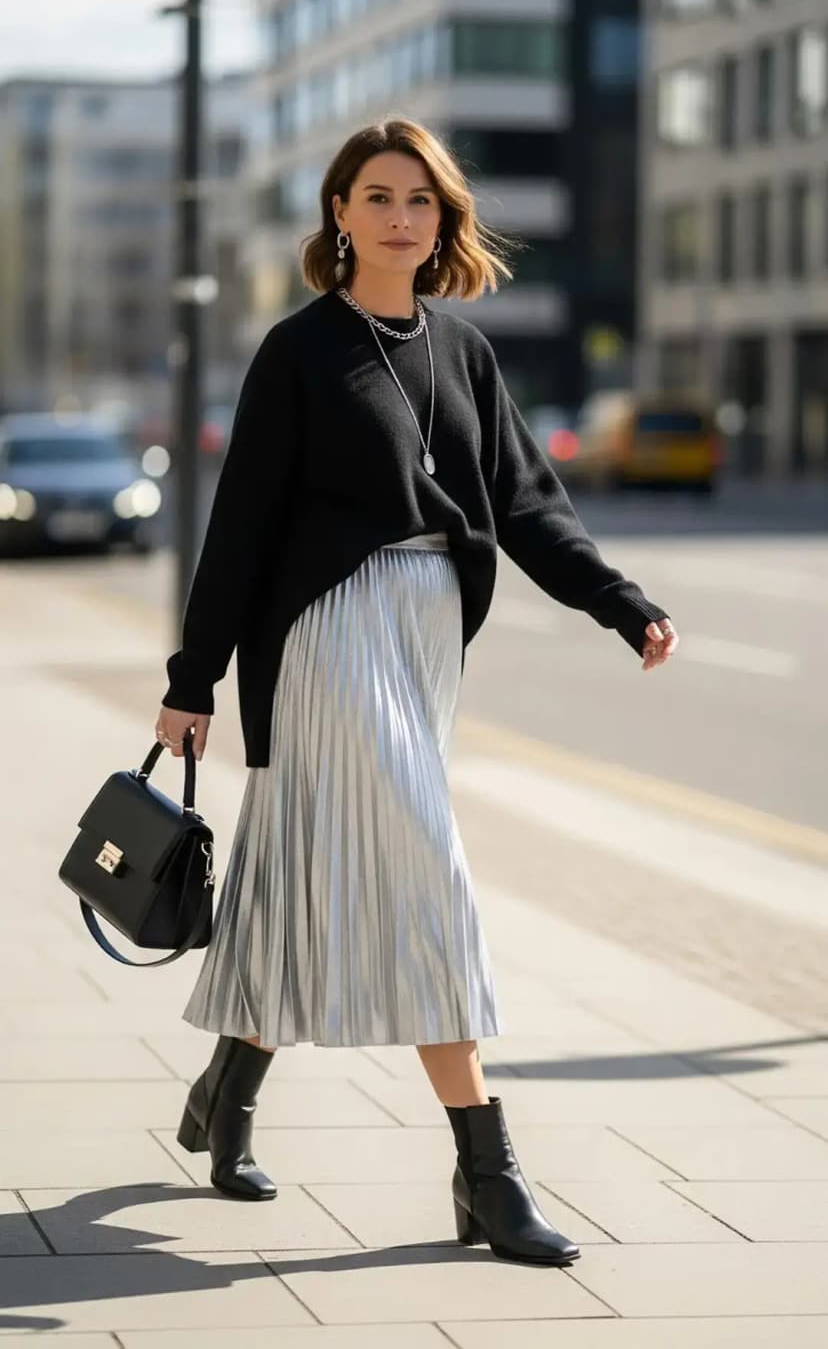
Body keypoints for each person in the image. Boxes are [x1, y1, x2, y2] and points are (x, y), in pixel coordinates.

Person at [155, 116, 678, 1266]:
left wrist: (621, 602)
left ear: (444, 220)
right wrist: (193, 679)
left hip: (426, 637)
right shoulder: (298, 351)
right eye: (378, 196)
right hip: (329, 635)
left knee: (301, 867)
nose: (401, 216)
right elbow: (238, 525)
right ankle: (487, 1173)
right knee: (429, 874)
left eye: (421, 201)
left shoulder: (464, 352)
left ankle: (224, 1092)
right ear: (338, 213)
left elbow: (530, 506)